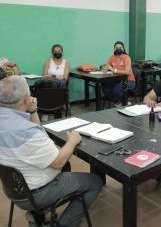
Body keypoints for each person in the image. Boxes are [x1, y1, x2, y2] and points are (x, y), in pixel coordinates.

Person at [0, 75, 102, 227]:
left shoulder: (12, 122)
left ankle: (37, 216)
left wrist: (33, 111)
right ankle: (63, 224)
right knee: (95, 181)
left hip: (13, 189)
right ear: (27, 98)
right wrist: (72, 141)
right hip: (36, 193)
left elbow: (37, 133)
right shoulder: (26, 131)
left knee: (67, 169)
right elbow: (59, 161)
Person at [102, 41, 135, 106]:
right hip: (117, 80)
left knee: (116, 89)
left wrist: (113, 70)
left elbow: (127, 72)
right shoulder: (112, 57)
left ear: (123, 49)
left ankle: (122, 102)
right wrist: (105, 68)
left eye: (120, 47)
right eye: (116, 47)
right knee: (105, 88)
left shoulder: (126, 57)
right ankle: (120, 102)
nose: (118, 49)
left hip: (129, 80)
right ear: (114, 49)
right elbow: (107, 66)